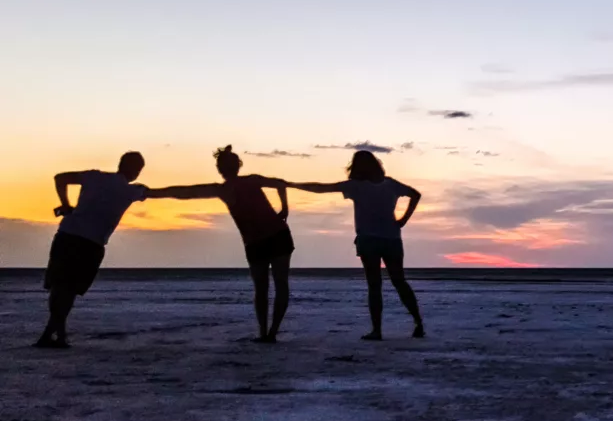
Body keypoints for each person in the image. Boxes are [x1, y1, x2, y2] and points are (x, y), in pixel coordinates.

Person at [146, 146, 293, 342]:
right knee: (267, 286)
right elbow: (186, 192)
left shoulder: (243, 183)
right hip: (258, 241)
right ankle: (267, 332)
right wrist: (152, 193)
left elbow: (280, 184)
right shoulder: (230, 187)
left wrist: (284, 209)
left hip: (274, 236)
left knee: (271, 285)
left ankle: (269, 332)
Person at [286, 150, 424, 340]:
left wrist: (292, 185)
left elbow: (322, 188)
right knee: (398, 282)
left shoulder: (357, 186)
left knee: (376, 285)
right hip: (390, 238)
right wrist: (403, 220)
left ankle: (379, 330)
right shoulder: (389, 184)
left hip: (370, 239)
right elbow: (415, 195)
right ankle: (417, 323)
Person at [36, 151, 148, 349]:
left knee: (59, 286)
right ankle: (52, 334)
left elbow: (60, 178)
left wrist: (66, 204)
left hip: (68, 234)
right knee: (67, 289)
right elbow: (162, 193)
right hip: (90, 243)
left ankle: (57, 334)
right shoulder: (131, 191)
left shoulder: (95, 177)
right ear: (135, 170)